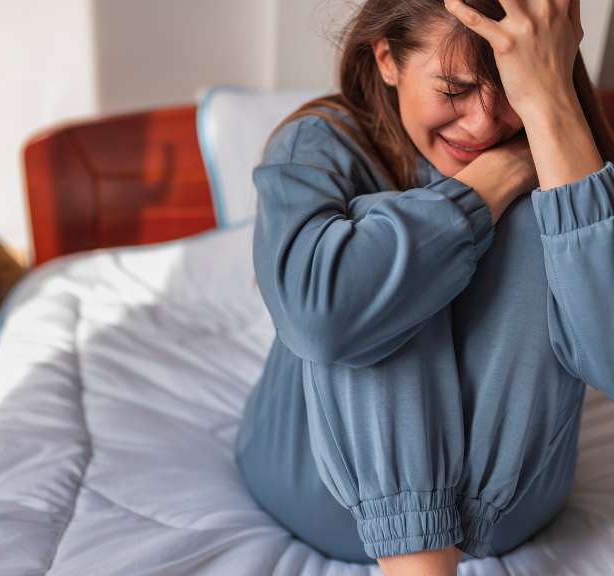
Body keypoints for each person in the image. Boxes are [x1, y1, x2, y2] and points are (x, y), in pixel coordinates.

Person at [233, 1, 614, 574]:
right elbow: (323, 316)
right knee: (371, 254)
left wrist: (550, 107)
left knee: (536, 222)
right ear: (387, 58)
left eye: (513, 90)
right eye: (455, 89)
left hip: (506, 509)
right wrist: (493, 181)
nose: (483, 125)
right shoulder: (320, 143)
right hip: (316, 493)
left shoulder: (569, 157)